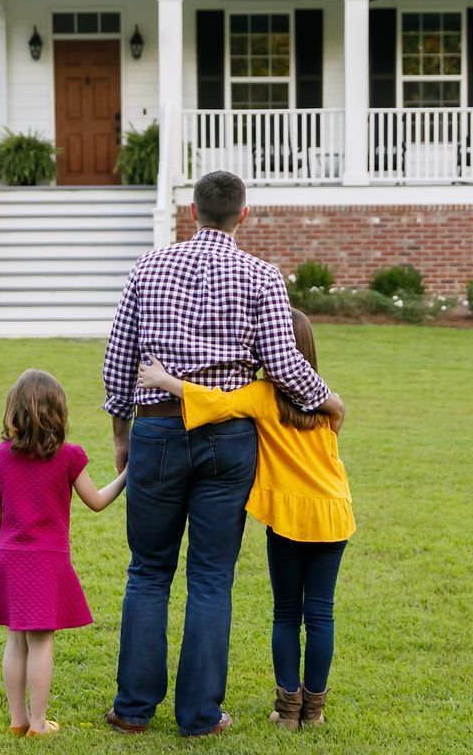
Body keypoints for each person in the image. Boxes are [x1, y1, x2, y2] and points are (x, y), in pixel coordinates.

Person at [102, 170, 344, 738]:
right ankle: (200, 716)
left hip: (156, 431)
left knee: (147, 571)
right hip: (229, 440)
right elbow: (284, 365)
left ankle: (133, 709)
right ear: (244, 215)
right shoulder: (261, 276)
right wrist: (328, 398)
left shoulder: (146, 268)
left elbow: (119, 358)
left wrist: (120, 435)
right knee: (211, 578)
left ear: (192, 211)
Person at [137, 307, 354, 730]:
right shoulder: (328, 401)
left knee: (287, 613)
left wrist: (165, 382)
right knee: (322, 614)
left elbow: (217, 404)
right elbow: (336, 423)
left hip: (290, 517)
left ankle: (288, 712)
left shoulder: (261, 395)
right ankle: (316, 711)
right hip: (333, 512)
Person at [0, 368, 127, 738]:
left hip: (8, 558)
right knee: (41, 642)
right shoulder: (69, 457)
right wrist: (127, 474)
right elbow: (97, 501)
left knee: (15, 638)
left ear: (13, 411)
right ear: (59, 413)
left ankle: (18, 720)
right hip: (47, 561)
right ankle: (39, 724)